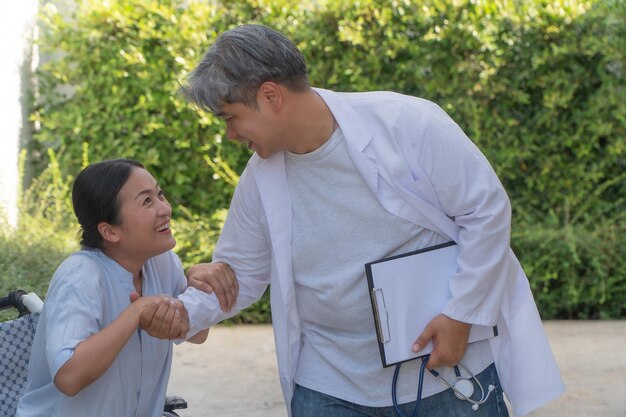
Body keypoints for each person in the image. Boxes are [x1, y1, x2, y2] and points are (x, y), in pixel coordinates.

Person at [176, 24, 564, 417]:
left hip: (444, 374)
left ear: (271, 95)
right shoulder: (260, 178)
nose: (229, 134)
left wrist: (462, 315)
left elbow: (486, 210)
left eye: (230, 117)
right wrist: (179, 314)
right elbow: (236, 275)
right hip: (327, 389)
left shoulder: (407, 122)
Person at [15, 159, 211, 417]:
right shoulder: (80, 277)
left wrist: (199, 289)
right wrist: (136, 311)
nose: (165, 209)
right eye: (147, 201)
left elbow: (196, 334)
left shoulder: (162, 263)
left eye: (159, 194)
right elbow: (69, 377)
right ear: (109, 231)